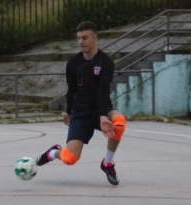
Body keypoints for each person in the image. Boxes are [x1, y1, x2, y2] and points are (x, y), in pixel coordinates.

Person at [35, 21, 126, 185]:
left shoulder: (106, 62)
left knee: (119, 122)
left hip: (101, 108)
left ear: (94, 38)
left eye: (84, 38)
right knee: (70, 158)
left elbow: (103, 91)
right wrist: (69, 112)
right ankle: (52, 153)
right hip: (81, 113)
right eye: (78, 38)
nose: (81, 42)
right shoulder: (73, 63)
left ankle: (108, 163)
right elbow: (71, 90)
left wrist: (103, 116)